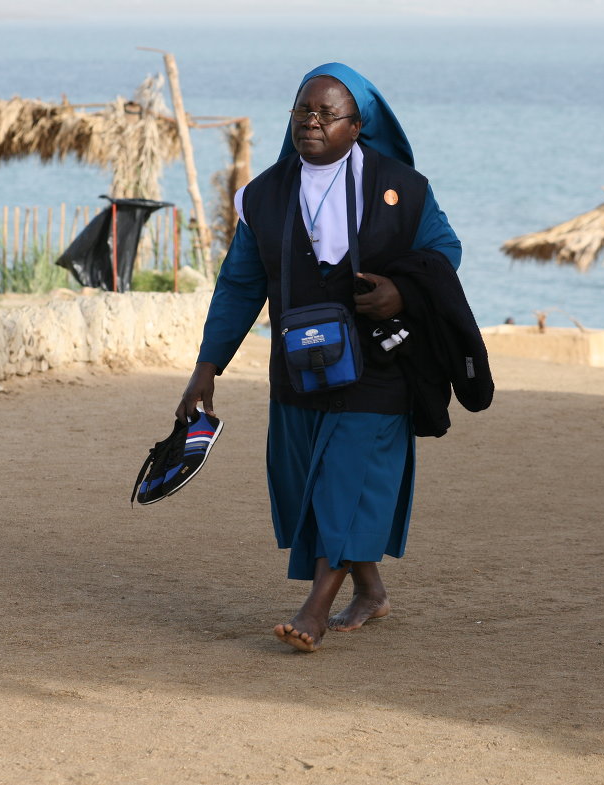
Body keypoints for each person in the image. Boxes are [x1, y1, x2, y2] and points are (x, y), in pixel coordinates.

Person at [175, 63, 465, 652]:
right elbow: (239, 285)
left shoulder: (403, 188)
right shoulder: (262, 195)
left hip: (381, 366)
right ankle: (372, 591)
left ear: (357, 126)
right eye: (302, 111)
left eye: (326, 113)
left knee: (348, 476)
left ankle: (314, 608)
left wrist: (402, 292)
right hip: (300, 366)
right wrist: (208, 364)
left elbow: (445, 251)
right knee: (309, 481)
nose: (311, 122)